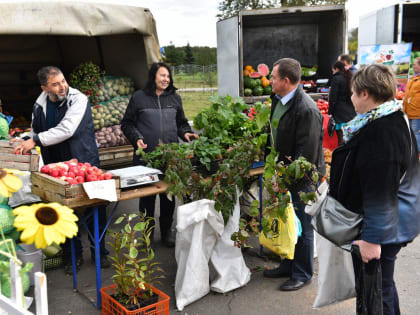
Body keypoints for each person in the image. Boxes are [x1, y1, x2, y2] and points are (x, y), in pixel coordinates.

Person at [329, 64, 420, 315]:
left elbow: (381, 190)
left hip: (387, 225)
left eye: (353, 93)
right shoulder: (389, 116)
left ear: (365, 94)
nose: (351, 98)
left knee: (378, 289)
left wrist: (372, 239)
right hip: (396, 219)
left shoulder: (382, 131)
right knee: (383, 285)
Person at [12, 66, 110, 274]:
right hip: (55, 165)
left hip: (83, 161)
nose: (62, 86)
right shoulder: (39, 104)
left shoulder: (78, 99)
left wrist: (35, 140)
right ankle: (72, 256)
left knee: (95, 205)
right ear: (44, 88)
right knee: (62, 210)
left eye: (63, 81)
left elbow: (68, 129)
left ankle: (99, 252)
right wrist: (24, 140)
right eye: (55, 84)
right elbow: (35, 130)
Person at [263, 58, 325, 291]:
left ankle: (303, 273)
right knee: (289, 222)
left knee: (303, 225)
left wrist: (286, 181)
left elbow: (305, 158)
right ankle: (288, 264)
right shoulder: (279, 101)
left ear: (286, 81)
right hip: (283, 173)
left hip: (303, 179)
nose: (270, 80)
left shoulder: (306, 109)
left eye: (273, 77)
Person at [121, 62, 198, 248]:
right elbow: (127, 124)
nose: (166, 79)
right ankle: (147, 236)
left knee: (168, 196)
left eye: (168, 76)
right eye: (162, 75)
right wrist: (137, 138)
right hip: (146, 157)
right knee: (146, 198)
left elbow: (181, 123)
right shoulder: (139, 97)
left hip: (170, 156)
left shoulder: (174, 98)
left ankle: (166, 233)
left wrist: (185, 133)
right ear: (153, 76)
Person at [328, 61, 356, 145]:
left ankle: (341, 156)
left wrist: (330, 112)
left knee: (340, 138)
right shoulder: (350, 77)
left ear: (337, 69)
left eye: (333, 70)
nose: (333, 72)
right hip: (351, 112)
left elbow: (333, 97)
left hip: (339, 113)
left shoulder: (336, 79)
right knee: (350, 138)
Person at [403, 56, 420, 152]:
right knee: (409, 133)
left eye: (415, 64)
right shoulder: (412, 78)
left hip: (417, 111)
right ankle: (410, 152)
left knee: (415, 133)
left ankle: (416, 153)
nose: (413, 66)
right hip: (408, 110)